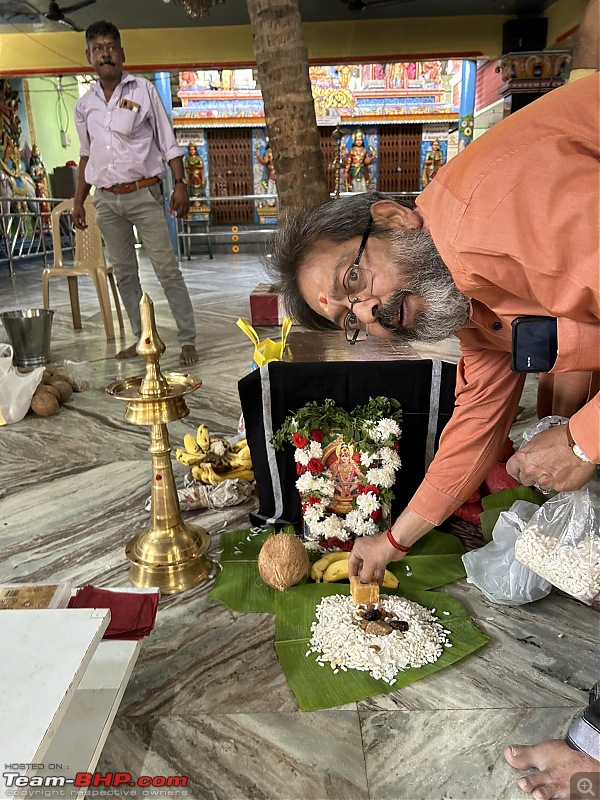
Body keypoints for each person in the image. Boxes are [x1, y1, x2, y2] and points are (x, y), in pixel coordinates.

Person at [266, 34, 599, 800]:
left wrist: (583, 436)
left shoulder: (489, 211)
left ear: (392, 217)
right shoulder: (470, 298)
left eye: (355, 278)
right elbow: (476, 419)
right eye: (350, 316)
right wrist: (390, 539)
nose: (371, 310)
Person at [73, 20, 198, 366]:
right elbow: (86, 155)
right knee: (124, 273)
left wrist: (180, 184)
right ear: (89, 57)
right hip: (106, 200)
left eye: (111, 47)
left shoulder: (143, 91)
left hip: (145, 195)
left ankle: (187, 339)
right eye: (98, 49)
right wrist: (79, 201)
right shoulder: (84, 106)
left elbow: (167, 142)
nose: (105, 54)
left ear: (122, 53)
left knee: (166, 269)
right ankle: (141, 337)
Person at [327, 441, 362, 514]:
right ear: (339, 456)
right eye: (342, 456)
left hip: (351, 485)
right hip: (339, 486)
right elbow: (331, 477)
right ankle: (343, 493)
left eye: (346, 456)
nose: (345, 458)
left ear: (350, 456)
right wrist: (340, 488)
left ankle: (348, 492)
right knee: (332, 482)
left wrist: (364, 478)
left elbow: (359, 474)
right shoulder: (336, 466)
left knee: (358, 480)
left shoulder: (353, 465)